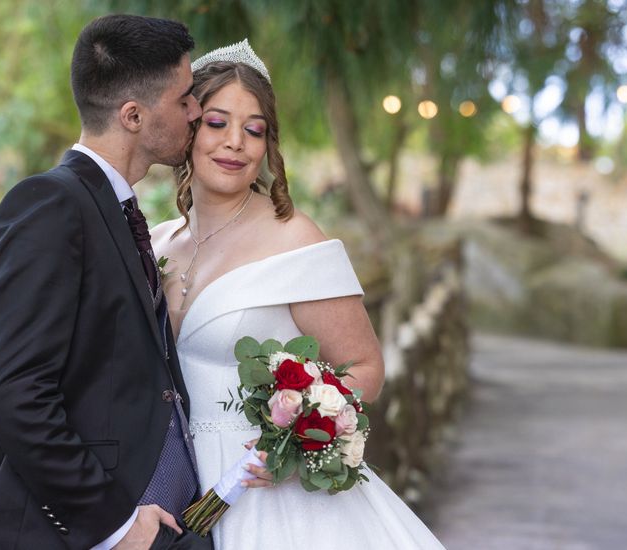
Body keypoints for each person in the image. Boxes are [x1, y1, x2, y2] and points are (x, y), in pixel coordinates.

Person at [150, 39, 446, 549]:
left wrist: (289, 446)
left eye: (254, 129)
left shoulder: (296, 240)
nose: (236, 143)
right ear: (187, 128)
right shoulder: (156, 242)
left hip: (269, 497)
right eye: (218, 123)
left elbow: (364, 368)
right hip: (174, 485)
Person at [0, 15, 213, 549]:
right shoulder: (48, 205)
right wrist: (114, 523)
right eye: (183, 100)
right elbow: (12, 391)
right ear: (133, 115)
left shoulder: (115, 209)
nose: (197, 111)